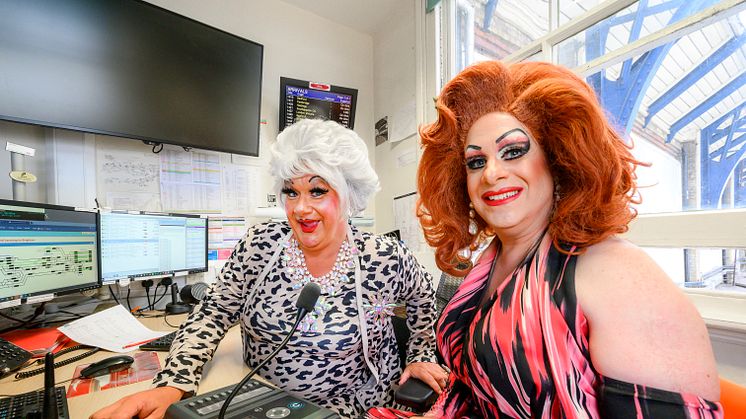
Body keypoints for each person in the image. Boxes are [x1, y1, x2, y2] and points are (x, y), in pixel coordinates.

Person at [412, 61, 722, 417]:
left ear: (557, 159)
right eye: (475, 162)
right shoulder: (488, 261)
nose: (492, 173)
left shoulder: (615, 272)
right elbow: (475, 382)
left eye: (513, 151)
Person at [90, 119, 447, 419]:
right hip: (263, 400)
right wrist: (175, 382)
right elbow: (212, 313)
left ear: (349, 193)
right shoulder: (259, 245)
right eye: (291, 192)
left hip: (354, 409)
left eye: (318, 191)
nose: (301, 209)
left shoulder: (385, 257)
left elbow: (423, 303)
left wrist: (419, 356)